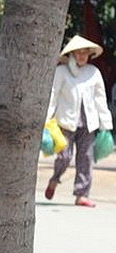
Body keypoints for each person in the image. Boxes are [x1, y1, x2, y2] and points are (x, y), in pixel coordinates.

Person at [44, 34, 112, 208]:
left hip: (88, 123)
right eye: (78, 53)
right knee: (64, 157)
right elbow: (52, 95)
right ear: (72, 54)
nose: (82, 56)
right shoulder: (61, 72)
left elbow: (100, 99)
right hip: (65, 121)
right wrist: (46, 120)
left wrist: (106, 124)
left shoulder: (93, 73)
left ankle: (81, 194)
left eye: (85, 53)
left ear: (89, 55)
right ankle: (55, 179)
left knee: (86, 158)